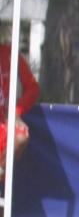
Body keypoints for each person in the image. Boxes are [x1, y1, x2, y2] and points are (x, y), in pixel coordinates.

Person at [0, 43, 39, 175]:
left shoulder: (9, 53)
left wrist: (15, 112)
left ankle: (1, 172)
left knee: (21, 135)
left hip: (4, 121)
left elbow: (33, 88)